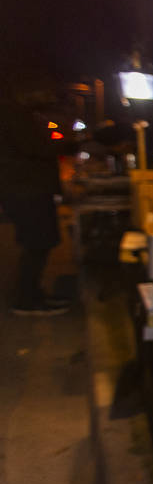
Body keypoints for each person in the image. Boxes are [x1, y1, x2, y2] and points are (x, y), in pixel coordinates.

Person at [0, 76, 69, 316]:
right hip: (27, 191)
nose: (49, 98)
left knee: (38, 243)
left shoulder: (22, 115)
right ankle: (27, 300)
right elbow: (38, 147)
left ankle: (33, 294)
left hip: (28, 189)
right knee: (37, 243)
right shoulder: (14, 115)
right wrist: (65, 142)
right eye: (45, 92)